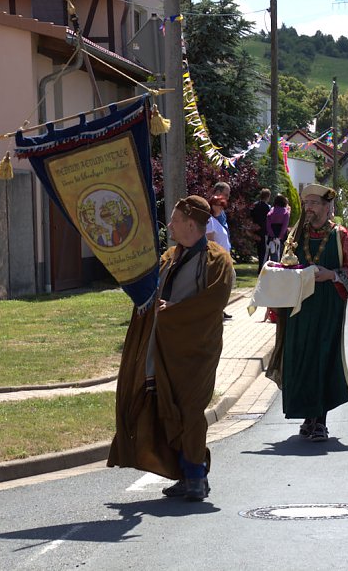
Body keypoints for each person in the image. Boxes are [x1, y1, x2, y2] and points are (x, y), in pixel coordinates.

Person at [108, 195, 233, 501]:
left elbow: (213, 303)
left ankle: (195, 478)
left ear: (192, 224)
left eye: (176, 220)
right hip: (162, 351)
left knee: (190, 411)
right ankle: (186, 472)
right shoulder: (169, 257)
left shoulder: (217, 261)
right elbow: (153, 294)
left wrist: (173, 311)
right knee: (167, 407)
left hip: (197, 352)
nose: (171, 225)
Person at [266, 184, 348, 442]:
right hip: (298, 307)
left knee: (322, 357)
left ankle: (320, 420)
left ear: (326, 206)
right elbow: (286, 266)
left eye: (313, 203)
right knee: (301, 358)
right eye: (306, 203)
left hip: (328, 305)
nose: (308, 208)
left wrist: (331, 275)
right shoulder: (296, 235)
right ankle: (309, 415)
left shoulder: (340, 236)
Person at [250, 188, 272, 274]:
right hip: (264, 231)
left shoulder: (255, 205)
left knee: (260, 251)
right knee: (264, 251)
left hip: (256, 230)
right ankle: (262, 268)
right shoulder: (267, 207)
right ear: (268, 197)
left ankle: (261, 267)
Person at [265, 193, 291, 263]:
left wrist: (272, 235)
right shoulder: (286, 212)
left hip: (272, 235)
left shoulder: (271, 211)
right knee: (282, 254)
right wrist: (280, 236)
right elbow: (285, 226)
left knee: (273, 255)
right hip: (282, 237)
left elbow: (268, 225)